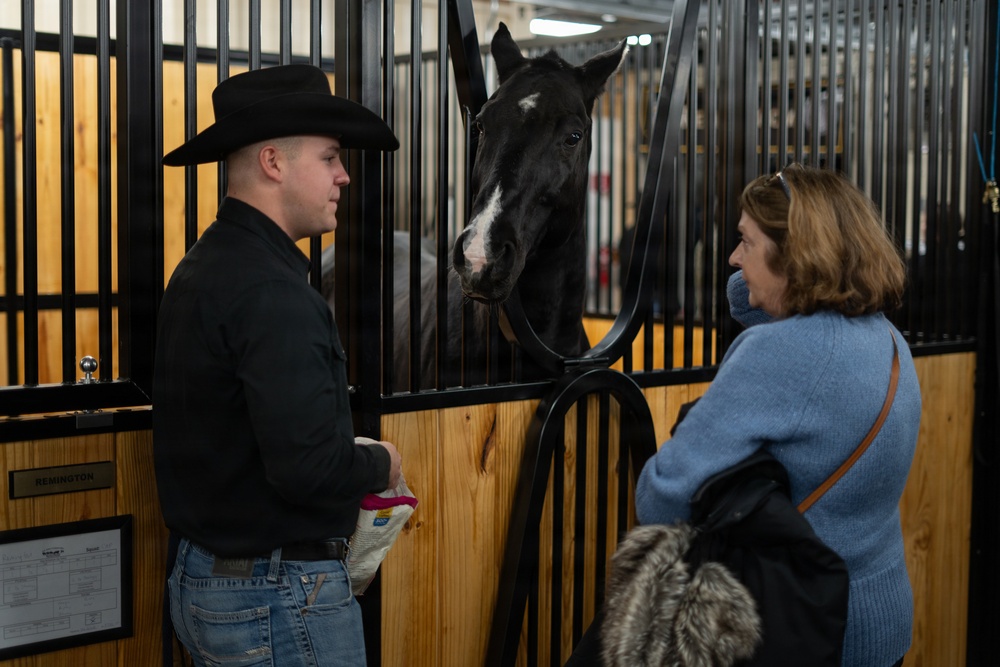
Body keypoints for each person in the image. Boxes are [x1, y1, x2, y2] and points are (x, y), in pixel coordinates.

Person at [154, 64, 402, 667]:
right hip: (276, 595)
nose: (344, 175)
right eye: (330, 157)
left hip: (206, 580)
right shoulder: (273, 292)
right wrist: (381, 461)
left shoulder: (201, 268)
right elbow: (309, 470)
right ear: (273, 162)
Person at [634, 163, 921, 667]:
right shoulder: (889, 339)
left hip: (805, 628)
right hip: (880, 620)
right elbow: (752, 302)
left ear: (794, 254)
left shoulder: (780, 352)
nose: (733, 258)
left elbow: (660, 496)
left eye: (745, 241)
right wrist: (775, 271)